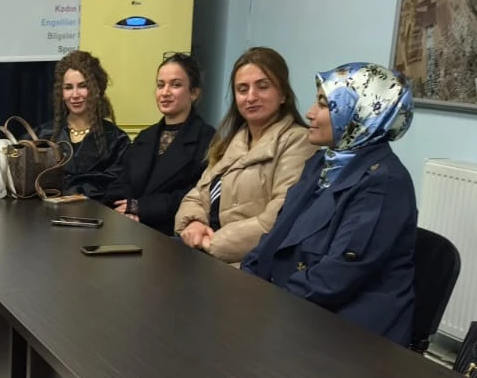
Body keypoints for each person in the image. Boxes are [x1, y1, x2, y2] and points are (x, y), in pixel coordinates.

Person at [242, 63, 417, 345]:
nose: (310, 113)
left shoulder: (384, 182)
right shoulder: (322, 163)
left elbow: (334, 279)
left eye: (324, 104)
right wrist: (245, 281)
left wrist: (265, 305)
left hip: (350, 335)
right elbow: (276, 236)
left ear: (361, 113)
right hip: (299, 309)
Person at [174, 47, 316, 264]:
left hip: (248, 265)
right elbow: (196, 196)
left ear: (283, 94)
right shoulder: (231, 141)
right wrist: (193, 223)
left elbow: (279, 218)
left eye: (263, 86)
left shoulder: (298, 141)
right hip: (206, 253)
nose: (251, 97)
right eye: (242, 89)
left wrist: (211, 243)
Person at [104, 53, 215, 236]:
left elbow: (197, 194)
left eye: (176, 85)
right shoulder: (145, 136)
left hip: (171, 234)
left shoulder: (208, 139)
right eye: (160, 85)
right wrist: (125, 210)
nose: (165, 92)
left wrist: (141, 208)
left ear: (194, 93)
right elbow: (121, 180)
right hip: (129, 228)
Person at [36, 50, 129, 200]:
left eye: (82, 86)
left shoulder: (117, 140)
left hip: (97, 212)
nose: (75, 95)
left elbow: (117, 189)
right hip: (47, 213)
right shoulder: (42, 135)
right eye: (68, 87)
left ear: (97, 89)